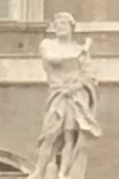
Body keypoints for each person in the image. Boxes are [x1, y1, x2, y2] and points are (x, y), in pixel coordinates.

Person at [28, 12, 102, 179]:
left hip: (74, 96)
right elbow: (52, 60)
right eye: (57, 23)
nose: (59, 26)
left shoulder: (80, 50)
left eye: (63, 23)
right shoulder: (48, 45)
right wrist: (79, 53)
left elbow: (89, 75)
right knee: (50, 134)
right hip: (58, 93)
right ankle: (39, 171)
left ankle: (64, 173)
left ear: (71, 27)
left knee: (70, 136)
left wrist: (76, 86)